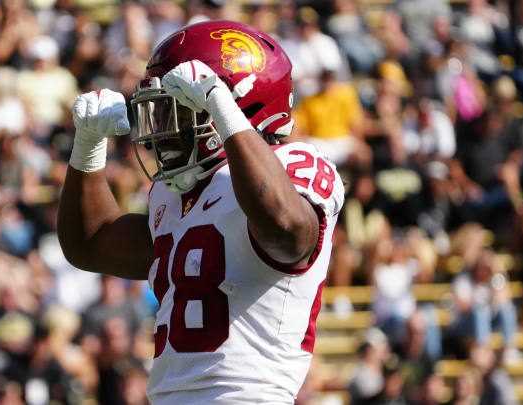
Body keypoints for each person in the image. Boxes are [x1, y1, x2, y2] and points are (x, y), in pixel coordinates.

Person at [57, 20, 344, 404]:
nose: (160, 127)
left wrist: (220, 105)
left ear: (232, 102)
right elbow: (90, 244)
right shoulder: (176, 194)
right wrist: (89, 148)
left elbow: (286, 230)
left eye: (175, 108)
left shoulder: (295, 163)